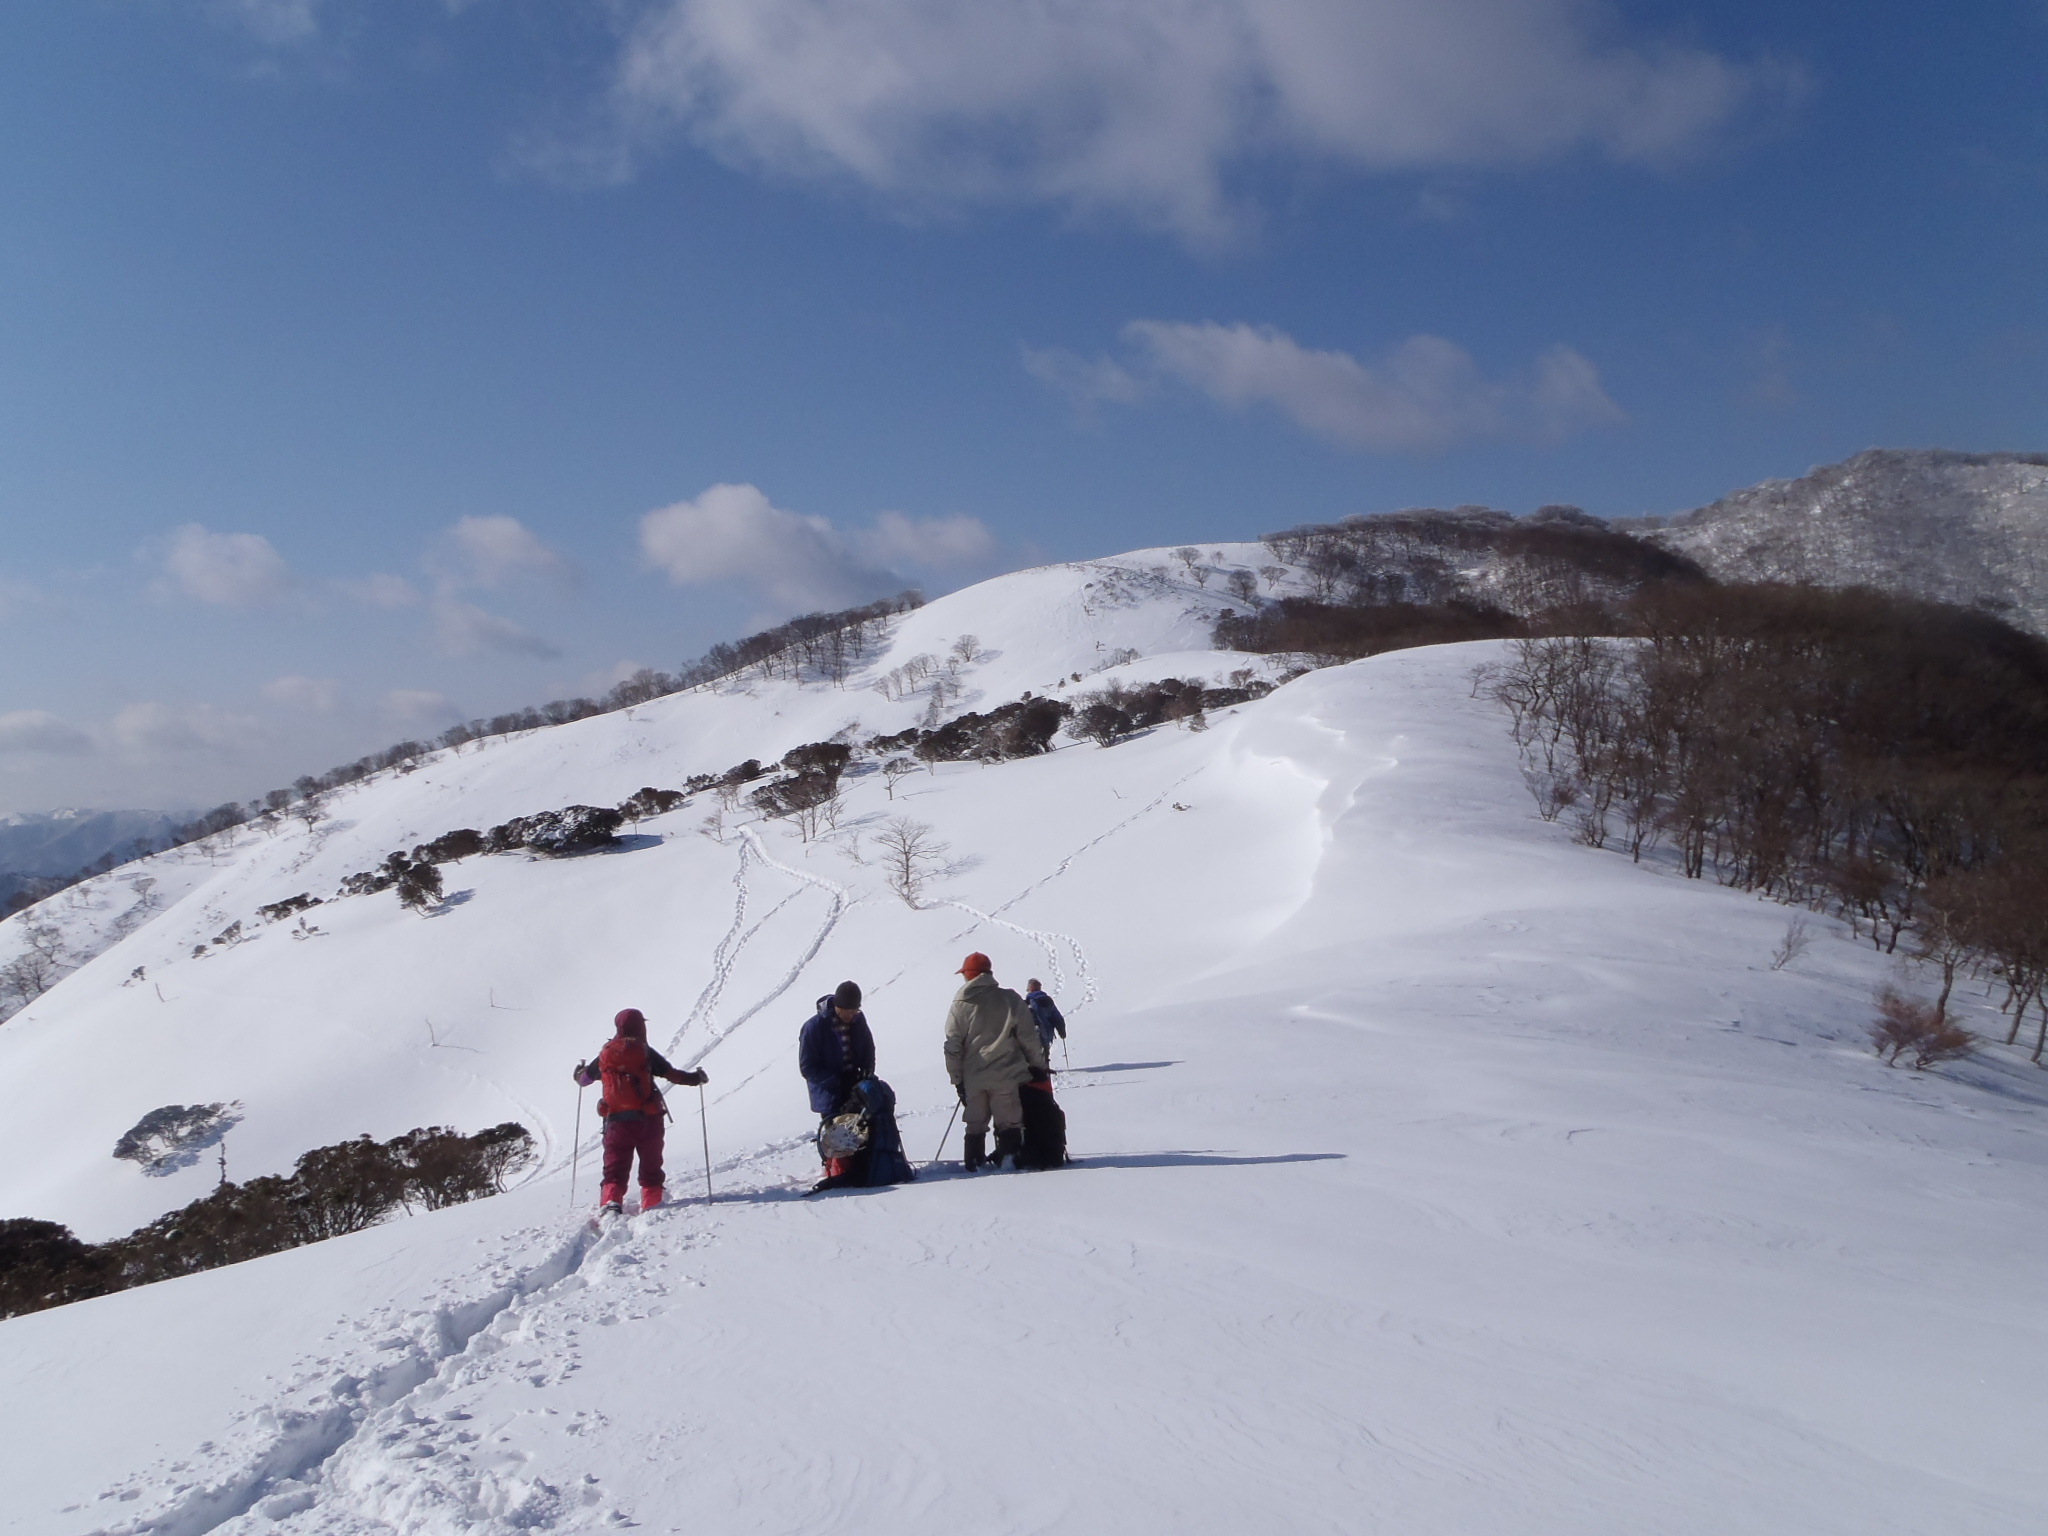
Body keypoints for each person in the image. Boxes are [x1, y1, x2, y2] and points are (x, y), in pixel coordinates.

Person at [572, 1008, 707, 1216]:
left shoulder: (606, 1054)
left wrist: (578, 1072)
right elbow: (674, 1075)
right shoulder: (645, 1051)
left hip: (616, 1122)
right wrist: (697, 1078)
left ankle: (611, 1202)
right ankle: (652, 1203)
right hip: (648, 1120)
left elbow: (584, 1080)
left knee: (614, 1167)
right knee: (651, 1166)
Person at [943, 952, 1047, 1171]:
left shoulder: (960, 1004)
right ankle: (1008, 1164)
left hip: (973, 1078)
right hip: (1006, 1075)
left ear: (969, 975)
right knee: (1009, 1123)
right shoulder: (1010, 999)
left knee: (975, 1125)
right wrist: (1038, 1066)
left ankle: (974, 1166)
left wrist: (957, 1079)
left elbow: (953, 1047)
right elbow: (1029, 1038)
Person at [798, 981, 875, 1164]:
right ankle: (836, 1169)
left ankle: (863, 1169)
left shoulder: (858, 1020)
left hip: (855, 1086)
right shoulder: (814, 1027)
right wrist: (835, 1080)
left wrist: (867, 1069)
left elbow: (868, 1047)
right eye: (847, 1011)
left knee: (861, 1134)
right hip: (830, 1092)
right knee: (838, 1140)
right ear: (837, 1007)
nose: (851, 1015)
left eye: (855, 1010)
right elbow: (807, 1067)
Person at [1023, 979, 1066, 1056]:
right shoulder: (1048, 1001)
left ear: (1030, 989)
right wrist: (1062, 1032)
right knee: (1045, 1056)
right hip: (1046, 1036)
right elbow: (1058, 1018)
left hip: (1030, 1038)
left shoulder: (1025, 1003)